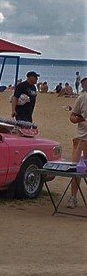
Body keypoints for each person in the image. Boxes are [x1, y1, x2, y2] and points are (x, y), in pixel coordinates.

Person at [68, 77, 87, 208]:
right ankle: (73, 197)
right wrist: (78, 119)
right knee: (77, 170)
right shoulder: (82, 98)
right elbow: (72, 116)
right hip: (83, 138)